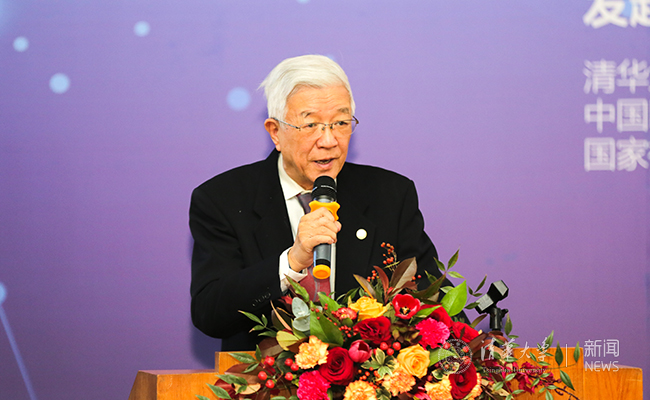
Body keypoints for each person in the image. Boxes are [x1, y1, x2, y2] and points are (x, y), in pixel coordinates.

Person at [190, 55, 443, 351]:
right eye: (310, 125)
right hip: (267, 377)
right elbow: (210, 314)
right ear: (275, 132)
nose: (329, 140)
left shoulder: (391, 195)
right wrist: (292, 262)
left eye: (341, 123)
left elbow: (432, 300)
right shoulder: (222, 199)